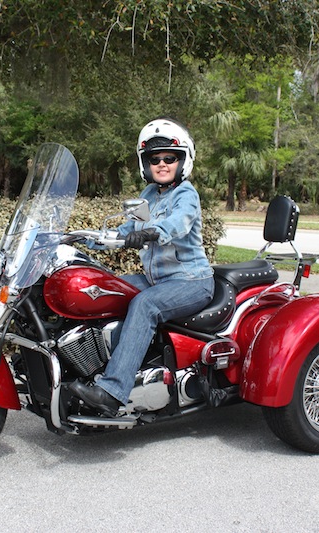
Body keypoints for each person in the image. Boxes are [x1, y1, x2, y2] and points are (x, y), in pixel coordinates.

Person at [70, 117, 215, 416]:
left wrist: (151, 232)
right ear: (145, 163)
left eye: (169, 158)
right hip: (156, 279)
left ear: (182, 161)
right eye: (155, 158)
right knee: (101, 288)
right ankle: (91, 368)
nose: (162, 164)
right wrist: (83, 239)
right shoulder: (148, 196)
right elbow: (125, 229)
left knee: (145, 304)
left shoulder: (186, 194)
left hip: (192, 282)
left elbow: (177, 223)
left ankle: (112, 392)